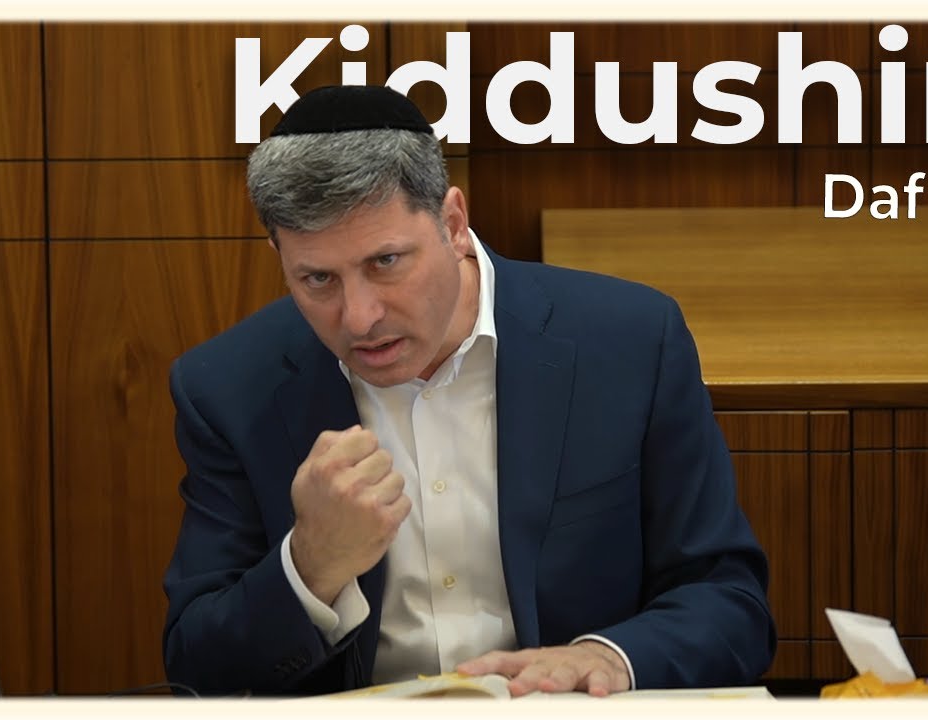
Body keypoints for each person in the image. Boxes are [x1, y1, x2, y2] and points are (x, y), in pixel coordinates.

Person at [161, 85, 775, 697]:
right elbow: (198, 662)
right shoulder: (228, 388)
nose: (359, 317)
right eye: (318, 279)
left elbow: (728, 601)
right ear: (278, 255)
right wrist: (311, 565)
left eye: (385, 262)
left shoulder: (630, 342)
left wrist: (609, 659)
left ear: (453, 223)